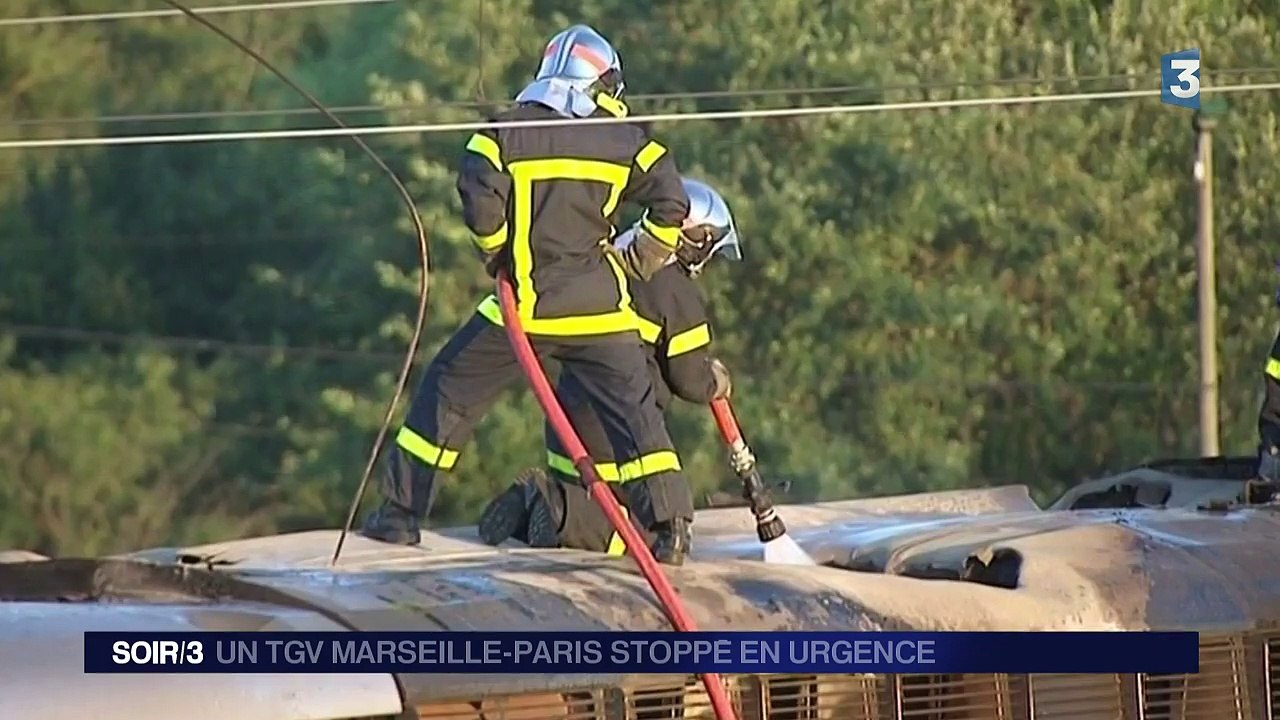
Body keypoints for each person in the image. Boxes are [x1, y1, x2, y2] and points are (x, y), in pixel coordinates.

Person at [360, 24, 696, 564]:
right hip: (601, 314)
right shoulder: (629, 139)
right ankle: (671, 532)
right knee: (638, 420)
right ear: (602, 83)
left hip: (524, 308)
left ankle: (398, 517)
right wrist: (643, 257)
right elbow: (672, 204)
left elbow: (479, 197)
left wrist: (498, 254)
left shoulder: (501, 134)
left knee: (449, 392)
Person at [476, 177, 740, 566]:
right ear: (695, 240)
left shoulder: (607, 262)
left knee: (599, 500)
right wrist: (716, 381)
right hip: (618, 430)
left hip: (569, 419)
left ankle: (542, 508)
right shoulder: (674, 291)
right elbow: (689, 379)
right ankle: (555, 505)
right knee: (646, 537)